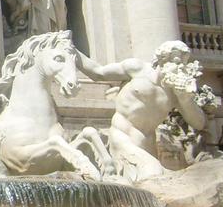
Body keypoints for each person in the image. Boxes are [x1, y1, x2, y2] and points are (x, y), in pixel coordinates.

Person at [77, 40, 209, 182]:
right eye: (176, 60)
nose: (180, 66)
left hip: (148, 146)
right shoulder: (137, 68)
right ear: (162, 59)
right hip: (122, 138)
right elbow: (98, 72)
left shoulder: (176, 93)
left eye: (183, 63)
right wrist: (71, 50)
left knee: (156, 181)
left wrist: (186, 100)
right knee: (153, 174)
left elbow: (199, 123)